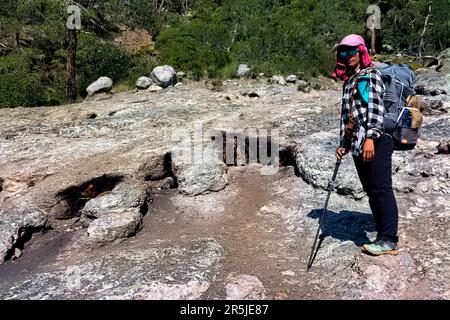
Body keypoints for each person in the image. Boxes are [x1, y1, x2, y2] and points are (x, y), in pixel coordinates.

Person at [332, 34, 399, 256]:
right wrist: (344, 143)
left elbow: (375, 108)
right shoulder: (350, 80)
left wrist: (371, 137)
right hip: (359, 142)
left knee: (381, 189)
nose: (347, 56)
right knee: (371, 191)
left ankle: (389, 240)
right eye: (343, 52)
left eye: (351, 51)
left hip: (377, 141)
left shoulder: (369, 76)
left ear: (361, 51)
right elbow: (349, 117)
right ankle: (382, 234)